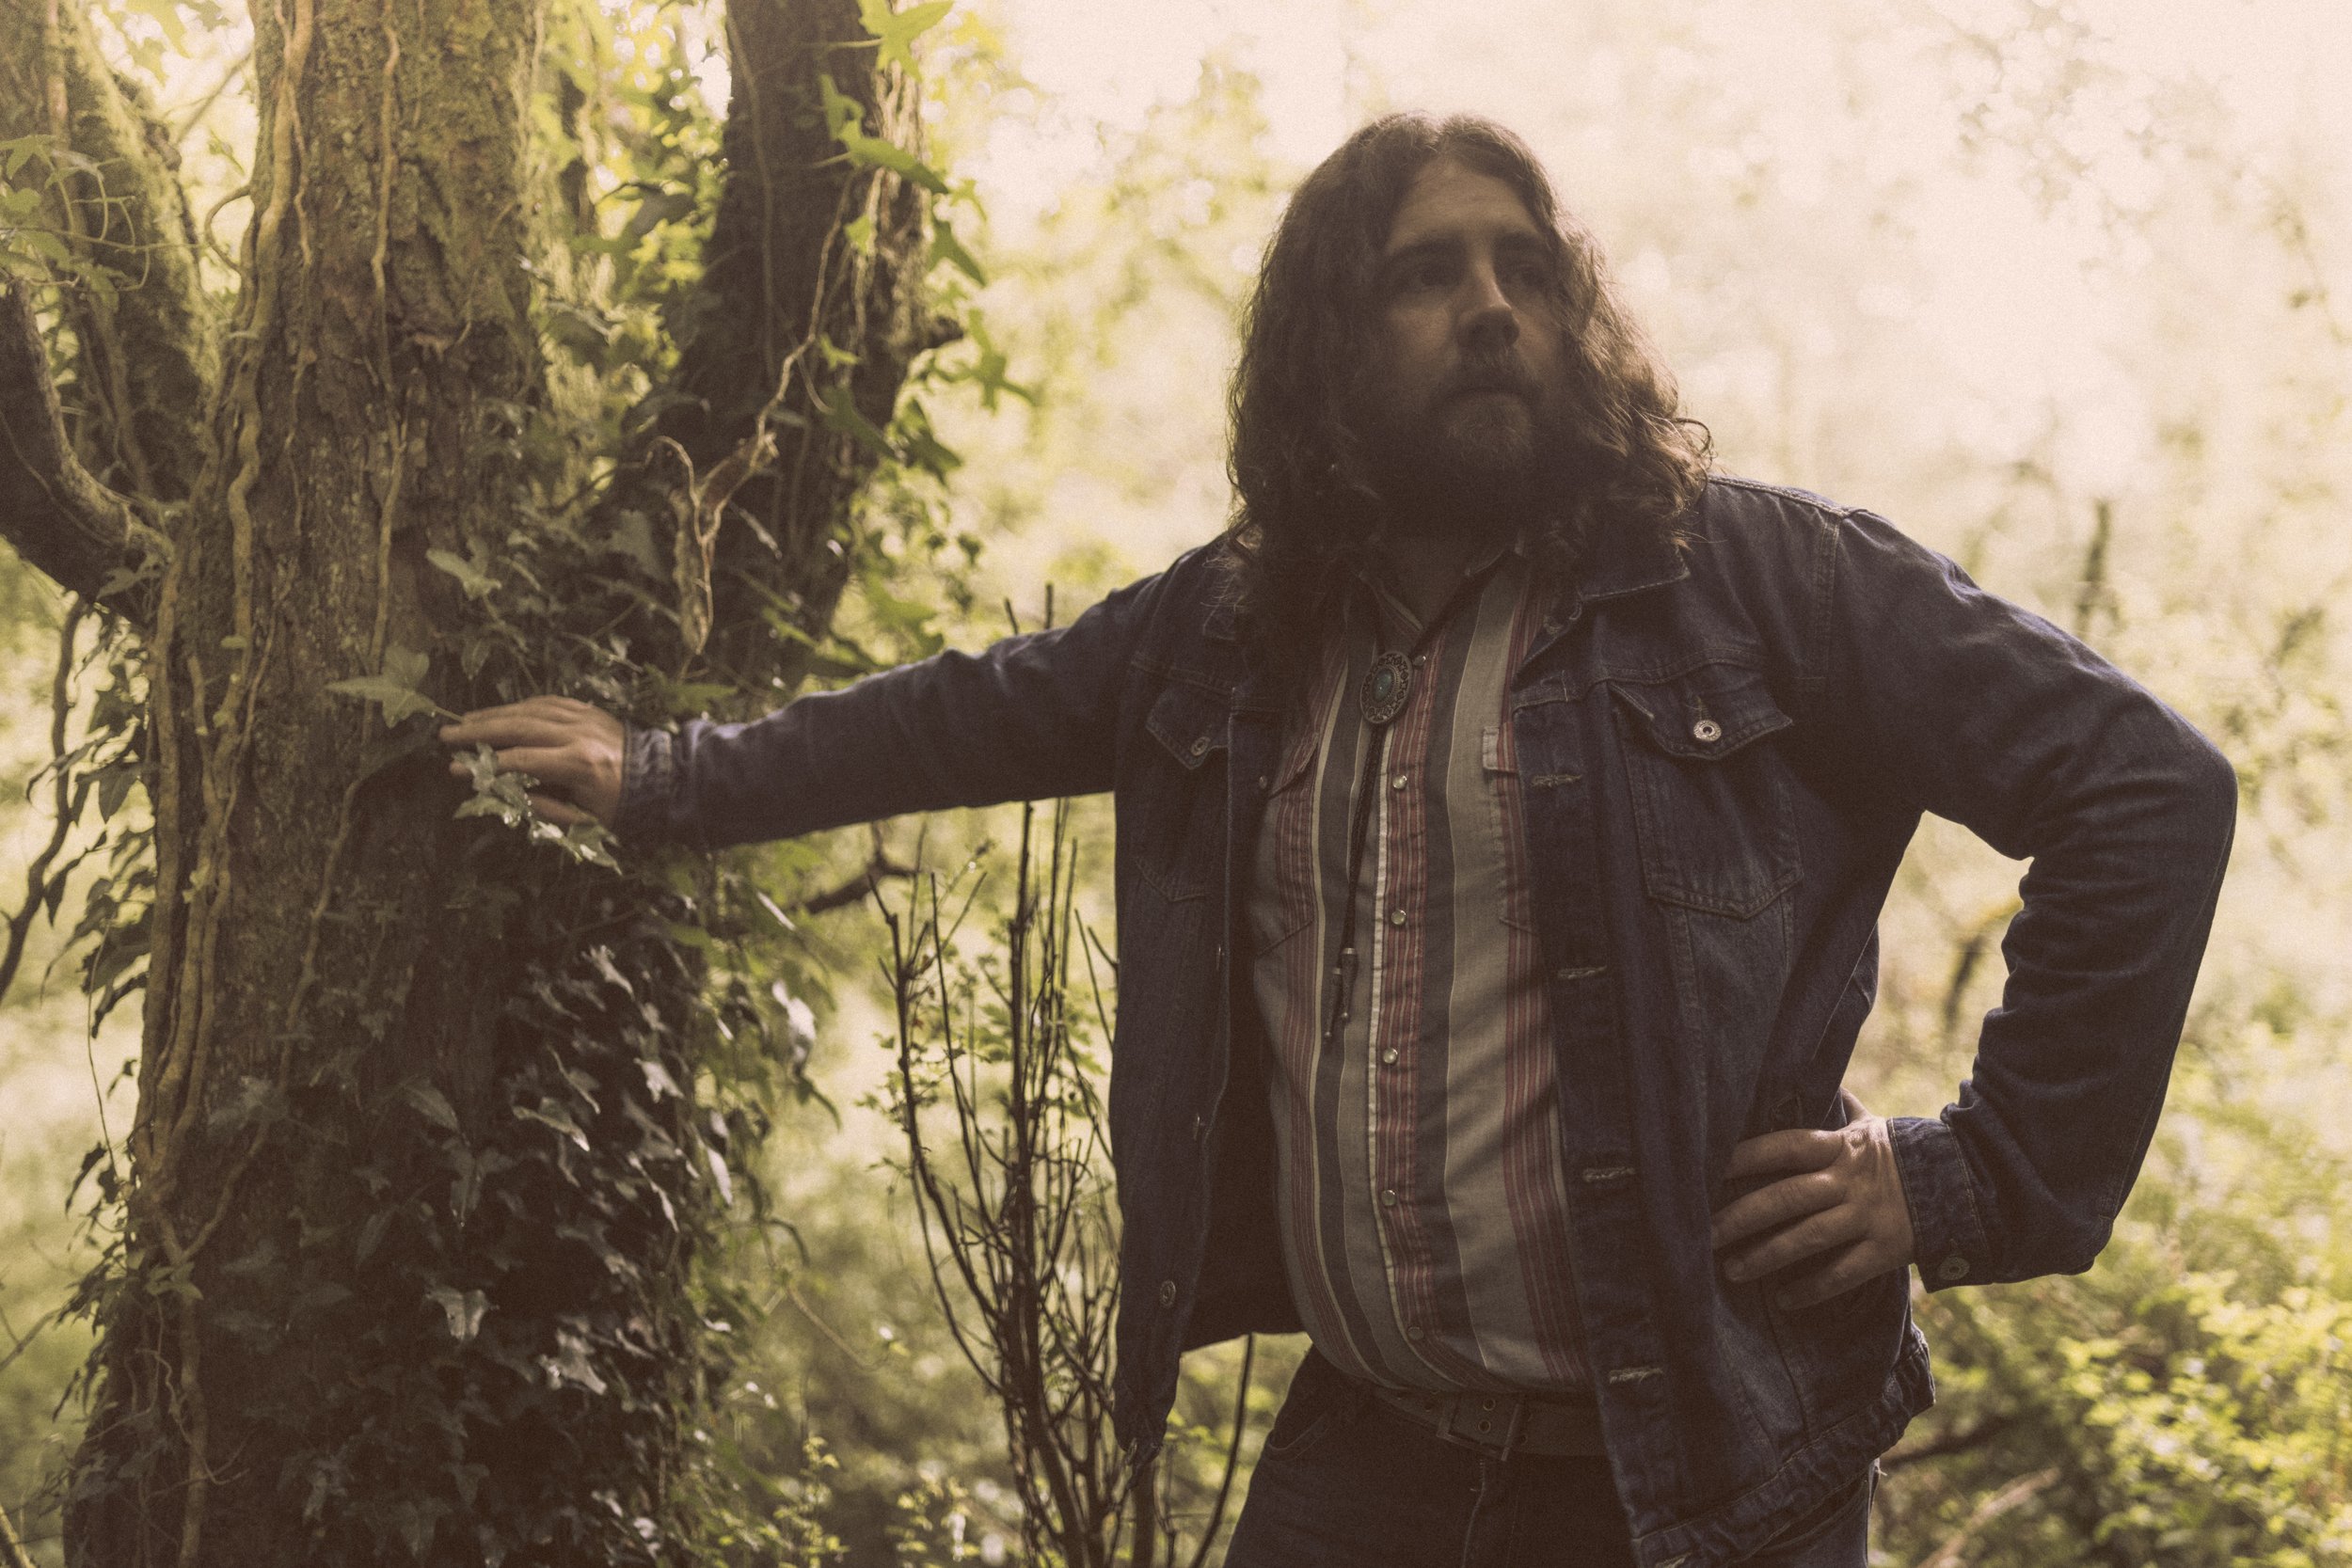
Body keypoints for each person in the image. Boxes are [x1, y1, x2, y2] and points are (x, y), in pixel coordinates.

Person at [440, 115, 2235, 1567]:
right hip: (1371, 1462)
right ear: (1324, 346)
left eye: (1527, 271)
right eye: (1426, 275)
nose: (1491, 308)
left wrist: (1963, 1177)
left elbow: (2145, 786)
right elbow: (956, 712)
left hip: (1691, 1478)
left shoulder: (1756, 582)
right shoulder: (1235, 631)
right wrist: (665, 779)